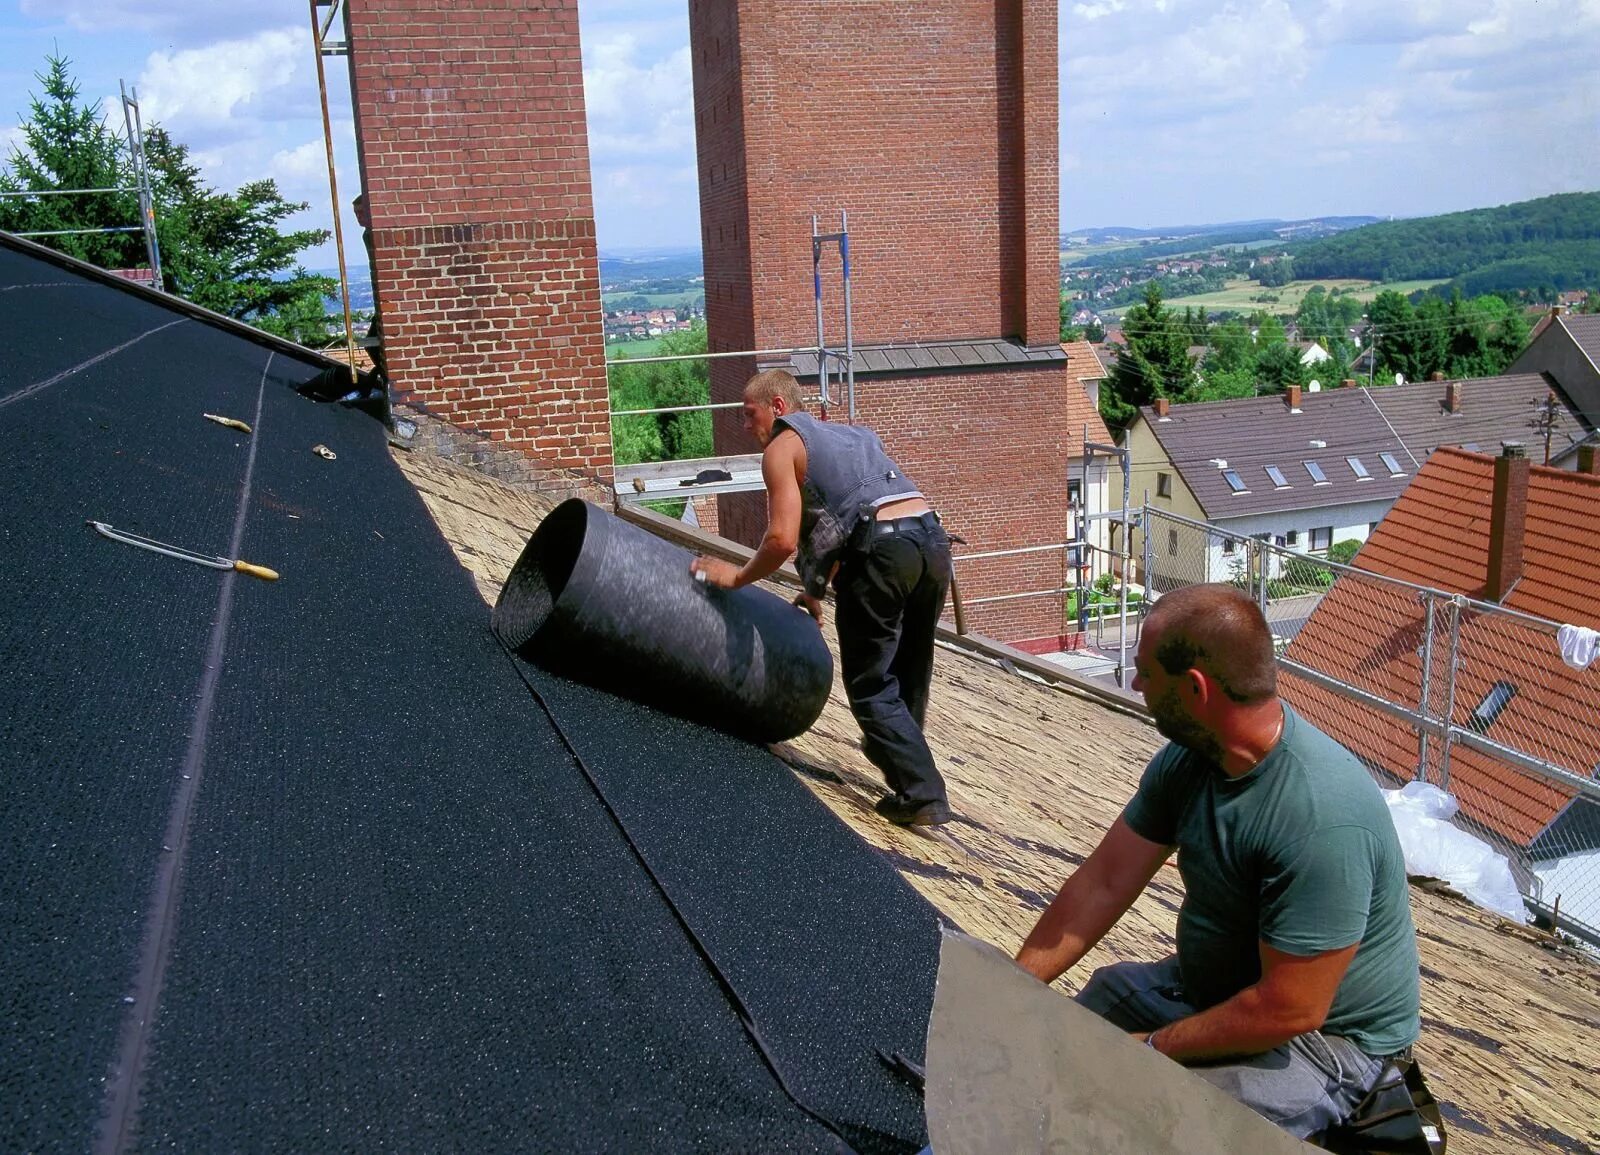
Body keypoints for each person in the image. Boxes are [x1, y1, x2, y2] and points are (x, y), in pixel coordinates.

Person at [1014, 583, 1421, 1140]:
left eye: (1146, 673)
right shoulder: (1189, 762)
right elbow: (1103, 884)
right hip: (1221, 993)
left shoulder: (1320, 817)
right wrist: (1010, 990)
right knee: (1090, 1013)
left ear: (1195, 688)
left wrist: (1154, 1049)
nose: (1135, 684)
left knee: (1156, 1119)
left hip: (1328, 1044)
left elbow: (1289, 1009)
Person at [690, 369, 955, 826]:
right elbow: (844, 521)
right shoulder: (852, 435)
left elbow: (781, 540)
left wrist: (735, 578)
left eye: (748, 414)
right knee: (909, 666)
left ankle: (922, 793)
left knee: (870, 684)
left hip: (884, 552)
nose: (745, 425)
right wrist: (814, 593)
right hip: (932, 542)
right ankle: (896, 759)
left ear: (777, 406)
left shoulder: (781, 447)